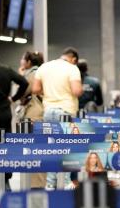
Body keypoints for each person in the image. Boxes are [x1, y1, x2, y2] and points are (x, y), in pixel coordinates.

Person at [32, 47, 84, 190]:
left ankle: (50, 184)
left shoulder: (44, 67)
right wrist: (80, 89)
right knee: (66, 148)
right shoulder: (72, 68)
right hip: (66, 112)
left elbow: (35, 89)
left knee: (52, 148)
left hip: (48, 111)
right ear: (73, 59)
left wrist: (48, 93)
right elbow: (76, 91)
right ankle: (65, 184)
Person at [0, 45, 28, 132]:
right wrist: (14, 98)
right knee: (4, 142)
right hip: (3, 112)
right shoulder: (5, 70)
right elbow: (24, 83)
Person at [17, 51, 44, 122]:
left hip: (34, 112)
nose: (21, 61)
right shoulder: (41, 72)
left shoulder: (32, 74)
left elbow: (22, 93)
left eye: (23, 58)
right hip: (41, 109)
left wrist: (20, 77)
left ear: (29, 62)